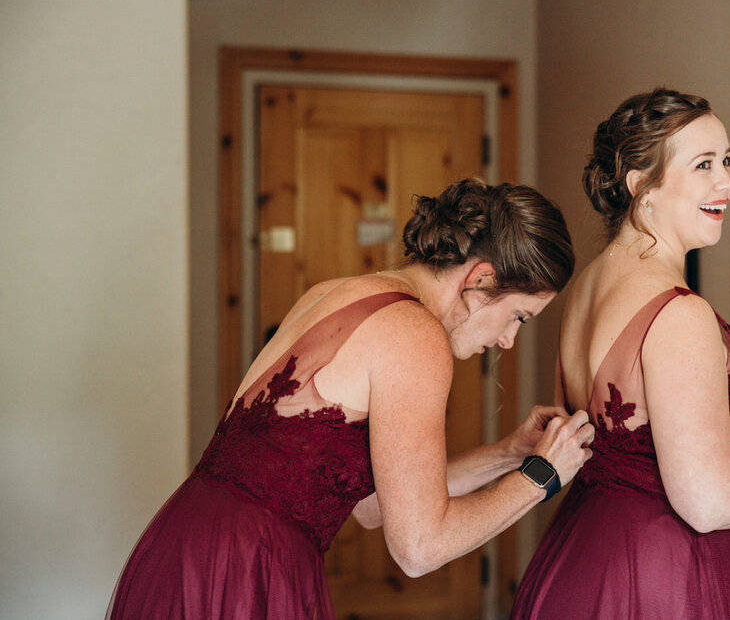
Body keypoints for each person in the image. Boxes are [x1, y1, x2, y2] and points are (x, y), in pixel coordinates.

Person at [107, 179, 595, 619]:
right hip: (248, 564)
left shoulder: (338, 292)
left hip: (186, 543)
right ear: (481, 279)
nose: (509, 341)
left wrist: (509, 455)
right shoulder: (415, 333)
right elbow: (421, 547)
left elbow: (371, 505)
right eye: (519, 318)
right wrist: (543, 477)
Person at [511, 89, 730, 619]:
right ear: (639, 186)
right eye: (703, 165)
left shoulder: (584, 288)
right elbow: (707, 502)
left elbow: (581, 445)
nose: (728, 183)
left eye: (727, 161)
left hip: (582, 558)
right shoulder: (678, 312)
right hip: (663, 577)